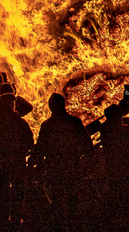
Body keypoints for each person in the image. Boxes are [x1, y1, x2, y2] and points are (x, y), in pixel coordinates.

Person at [33, 93, 89, 228]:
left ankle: (59, 225)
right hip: (72, 165)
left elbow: (41, 147)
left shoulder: (47, 125)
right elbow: (86, 144)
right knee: (72, 197)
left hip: (55, 166)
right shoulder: (75, 122)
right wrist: (87, 161)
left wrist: (36, 162)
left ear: (51, 107)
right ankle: (72, 223)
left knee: (57, 198)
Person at [0, 91, 32, 225]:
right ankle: (15, 216)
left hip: (1, 162)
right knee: (18, 189)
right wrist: (22, 152)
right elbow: (29, 141)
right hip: (17, 161)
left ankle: (3, 217)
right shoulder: (20, 123)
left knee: (3, 189)